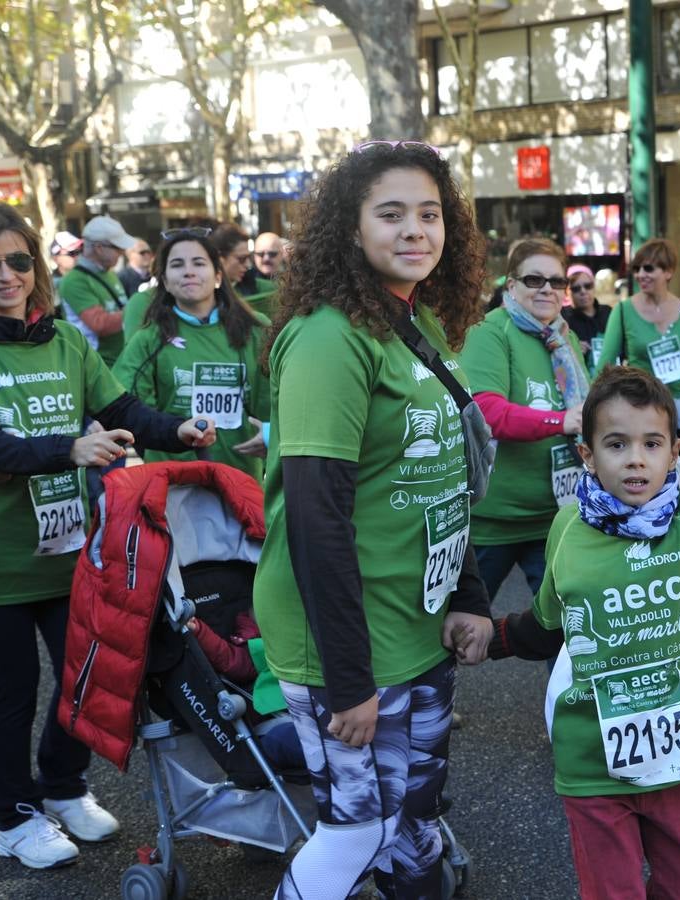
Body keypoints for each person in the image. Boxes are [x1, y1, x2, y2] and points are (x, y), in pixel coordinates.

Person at [250, 139, 494, 899]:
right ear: (351, 230)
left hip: (413, 622)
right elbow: (317, 521)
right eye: (391, 214)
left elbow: (439, 483)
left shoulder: (407, 324)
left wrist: (468, 596)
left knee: (414, 818)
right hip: (344, 643)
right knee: (359, 829)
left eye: (430, 214)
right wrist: (348, 681)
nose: (415, 230)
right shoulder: (330, 338)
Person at [0, 204, 215, 870]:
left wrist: (174, 427)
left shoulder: (61, 338)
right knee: (13, 686)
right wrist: (72, 447)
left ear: (37, 265)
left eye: (18, 260)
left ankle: (62, 787)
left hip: (66, 548)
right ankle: (13, 818)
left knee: (84, 675)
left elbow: (121, 411)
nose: (5, 275)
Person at [487, 323, 680, 900]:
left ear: (674, 451)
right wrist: (487, 638)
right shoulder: (566, 527)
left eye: (652, 444)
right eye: (616, 444)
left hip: (679, 755)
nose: (636, 460)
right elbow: (546, 627)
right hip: (590, 756)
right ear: (587, 453)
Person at [459, 237, 587, 603]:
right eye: (534, 280)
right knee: (455, 629)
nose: (547, 288)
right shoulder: (490, 331)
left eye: (557, 282)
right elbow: (486, 412)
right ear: (511, 285)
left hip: (554, 516)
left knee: (563, 634)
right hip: (493, 520)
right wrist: (560, 422)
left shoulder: (565, 337)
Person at [112, 229, 270, 481]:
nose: (188, 271)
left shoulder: (255, 329)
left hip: (243, 483)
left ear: (218, 276)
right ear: (164, 281)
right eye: (177, 264)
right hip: (172, 487)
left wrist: (273, 434)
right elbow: (124, 408)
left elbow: (281, 396)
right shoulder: (149, 338)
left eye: (198, 263)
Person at [596, 238, 680, 456]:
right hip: (637, 408)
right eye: (637, 268)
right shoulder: (623, 310)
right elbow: (604, 364)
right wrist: (593, 413)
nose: (640, 274)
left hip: (675, 411)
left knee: (674, 478)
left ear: (668, 272)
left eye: (649, 268)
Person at [58, 214, 136, 366]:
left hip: (119, 361)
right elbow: (100, 324)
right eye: (117, 248)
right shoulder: (74, 281)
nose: (122, 253)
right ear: (99, 248)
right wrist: (138, 309)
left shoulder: (109, 273)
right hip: (98, 367)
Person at [211, 224, 279, 318]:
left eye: (248, 257)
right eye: (242, 259)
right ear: (221, 259)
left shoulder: (265, 288)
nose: (247, 265)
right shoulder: (207, 293)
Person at [560, 262, 611, 373]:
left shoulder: (608, 313)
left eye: (588, 286)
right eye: (576, 288)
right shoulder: (561, 317)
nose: (583, 291)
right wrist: (572, 348)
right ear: (567, 292)